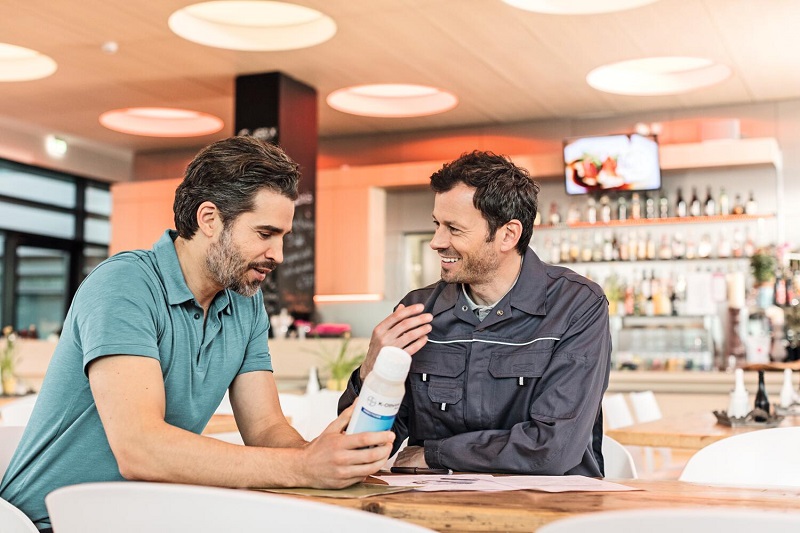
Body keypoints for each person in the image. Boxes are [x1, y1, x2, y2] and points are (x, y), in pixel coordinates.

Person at [0, 136, 393, 531]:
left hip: (141, 518)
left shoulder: (245, 302)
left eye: (283, 237)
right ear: (209, 219)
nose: (279, 254)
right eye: (265, 233)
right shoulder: (125, 285)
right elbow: (141, 450)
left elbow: (266, 429)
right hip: (49, 523)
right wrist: (304, 467)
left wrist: (325, 456)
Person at [339, 150, 611, 476]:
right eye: (437, 225)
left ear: (508, 235)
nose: (436, 242)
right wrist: (371, 372)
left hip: (548, 514)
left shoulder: (577, 305)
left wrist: (435, 454)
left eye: (454, 229)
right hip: (432, 511)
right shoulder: (418, 309)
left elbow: (553, 449)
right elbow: (358, 447)